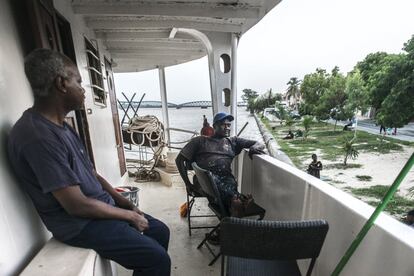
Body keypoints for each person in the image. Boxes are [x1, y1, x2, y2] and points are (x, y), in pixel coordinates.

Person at [7, 49, 170, 276]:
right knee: (157, 260)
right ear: (62, 84)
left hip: (100, 210)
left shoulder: (63, 126)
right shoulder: (37, 137)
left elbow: (92, 173)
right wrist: (129, 216)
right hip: (80, 224)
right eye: (79, 82)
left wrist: (123, 202)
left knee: (160, 231)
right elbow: (76, 205)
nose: (83, 90)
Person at [175, 112, 265, 216]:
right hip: (203, 181)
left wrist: (254, 148)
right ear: (214, 126)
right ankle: (239, 201)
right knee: (213, 181)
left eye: (229, 125)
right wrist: (187, 183)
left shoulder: (233, 141)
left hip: (226, 179)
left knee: (229, 184)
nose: (227, 127)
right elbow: (179, 160)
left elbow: (259, 143)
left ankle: (234, 208)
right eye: (223, 124)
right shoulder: (200, 141)